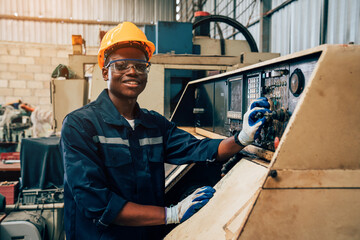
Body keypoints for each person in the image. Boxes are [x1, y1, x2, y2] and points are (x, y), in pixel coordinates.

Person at [60, 22, 270, 240]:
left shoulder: (153, 125)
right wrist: (172, 213)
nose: (132, 71)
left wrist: (243, 137)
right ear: (105, 72)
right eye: (122, 65)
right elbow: (97, 202)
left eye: (140, 66)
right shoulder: (80, 125)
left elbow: (200, 148)